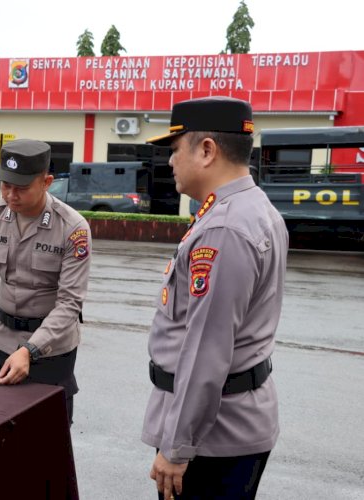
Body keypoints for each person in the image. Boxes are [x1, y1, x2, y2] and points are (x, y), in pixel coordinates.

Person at [141, 97, 289, 500]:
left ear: (207, 150)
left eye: (174, 150)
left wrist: (177, 446)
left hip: (211, 438)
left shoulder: (224, 227)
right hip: (228, 425)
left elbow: (207, 349)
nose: (170, 162)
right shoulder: (251, 209)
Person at [0, 139, 91, 425]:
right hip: (4, 341)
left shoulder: (72, 228)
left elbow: (70, 302)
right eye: (5, 185)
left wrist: (30, 351)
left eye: (21, 187)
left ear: (46, 182)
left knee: (47, 434)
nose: (10, 195)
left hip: (52, 350)